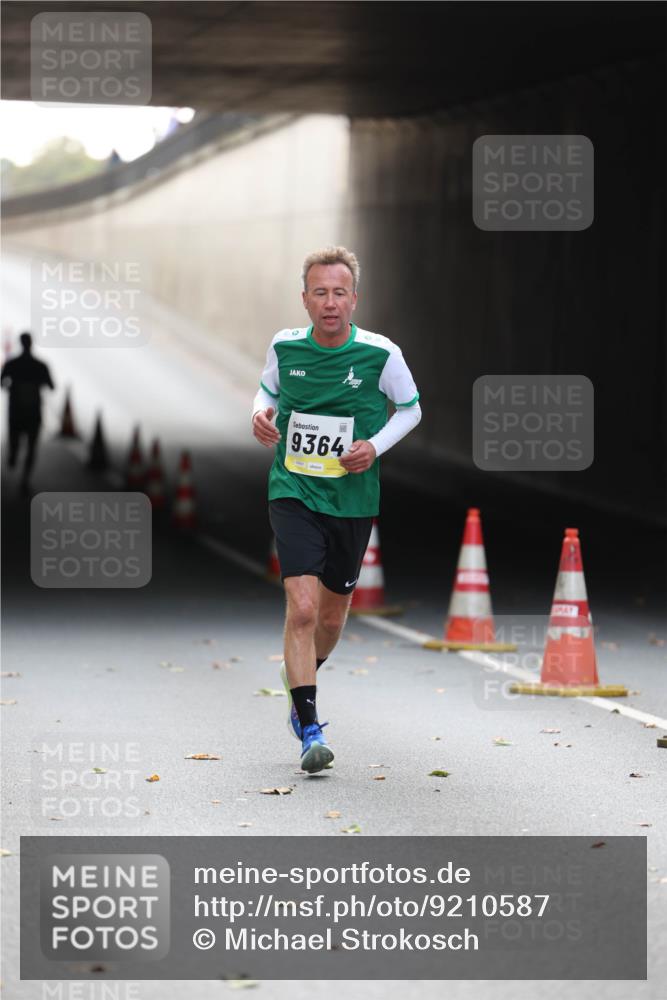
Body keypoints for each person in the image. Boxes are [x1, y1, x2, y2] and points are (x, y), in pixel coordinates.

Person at [251, 246, 422, 774]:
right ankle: (309, 727)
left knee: (330, 616)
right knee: (302, 609)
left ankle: (298, 679)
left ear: (354, 299)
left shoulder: (380, 354)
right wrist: (260, 415)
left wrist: (374, 446)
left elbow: (411, 410)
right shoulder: (285, 346)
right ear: (305, 299)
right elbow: (266, 391)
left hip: (352, 497)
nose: (330, 302)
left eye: (339, 293)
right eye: (320, 292)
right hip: (294, 489)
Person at [1, 331, 55, 492]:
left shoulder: (12, 364)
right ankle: (25, 479)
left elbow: (2, 383)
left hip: (16, 410)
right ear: (31, 343)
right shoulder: (40, 365)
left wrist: (13, 386)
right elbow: (52, 386)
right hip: (33, 411)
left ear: (21, 343)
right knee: (32, 446)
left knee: (14, 438)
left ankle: (13, 455)